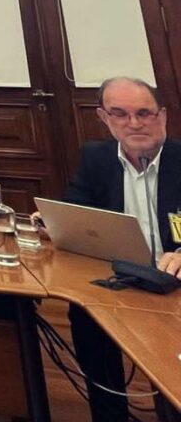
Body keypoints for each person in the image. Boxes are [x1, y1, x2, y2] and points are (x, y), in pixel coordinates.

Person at [59, 76, 181, 422]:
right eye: (120, 114)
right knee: (85, 313)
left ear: (162, 115)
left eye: (144, 113)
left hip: (175, 285)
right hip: (122, 281)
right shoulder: (95, 158)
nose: (134, 124)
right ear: (104, 117)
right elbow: (76, 212)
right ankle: (109, 413)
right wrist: (52, 221)